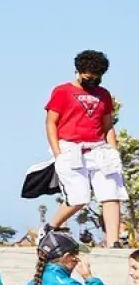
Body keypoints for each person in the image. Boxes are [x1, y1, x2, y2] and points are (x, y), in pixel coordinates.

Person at [45, 50, 127, 247]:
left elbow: (108, 126)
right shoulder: (62, 91)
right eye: (89, 76)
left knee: (111, 193)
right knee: (78, 197)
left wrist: (114, 152)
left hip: (99, 148)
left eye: (97, 77)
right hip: (70, 147)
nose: (93, 80)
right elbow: (50, 123)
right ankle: (50, 228)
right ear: (78, 71)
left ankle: (113, 242)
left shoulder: (104, 95)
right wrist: (58, 153)